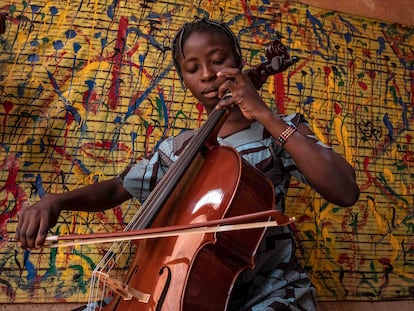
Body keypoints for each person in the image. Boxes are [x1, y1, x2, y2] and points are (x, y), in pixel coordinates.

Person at [16, 18, 359, 310]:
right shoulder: (177, 150)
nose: (207, 75)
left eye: (218, 60)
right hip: (183, 288)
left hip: (270, 291)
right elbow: (118, 188)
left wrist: (266, 115)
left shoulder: (280, 130)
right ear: (185, 80)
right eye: (193, 69)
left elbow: (344, 191)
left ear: (237, 62)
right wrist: (55, 201)